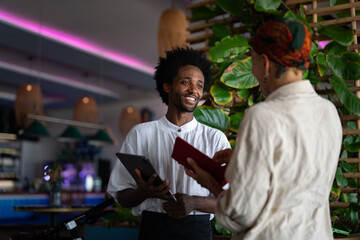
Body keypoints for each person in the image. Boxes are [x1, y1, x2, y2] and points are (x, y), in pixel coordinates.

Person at [185, 18, 343, 239]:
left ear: (266, 63)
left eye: (253, 59)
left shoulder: (262, 116)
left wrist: (209, 182)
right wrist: (245, 159)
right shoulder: (328, 112)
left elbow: (240, 214)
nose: (253, 69)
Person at [107, 47, 231, 240]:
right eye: (185, 82)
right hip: (154, 229)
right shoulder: (141, 134)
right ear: (167, 86)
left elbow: (231, 200)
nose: (194, 90)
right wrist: (144, 193)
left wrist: (194, 202)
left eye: (199, 85)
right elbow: (121, 195)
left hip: (197, 230)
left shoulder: (215, 138)